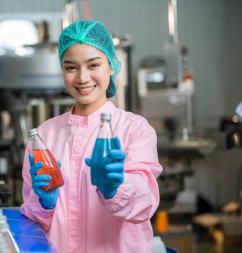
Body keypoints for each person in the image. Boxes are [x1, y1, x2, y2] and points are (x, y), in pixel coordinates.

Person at [20, 20, 163, 253]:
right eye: (71, 67)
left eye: (93, 65)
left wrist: (116, 189)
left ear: (112, 66)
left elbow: (145, 205)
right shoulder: (44, 135)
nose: (82, 78)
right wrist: (44, 202)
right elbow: (33, 220)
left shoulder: (135, 129)